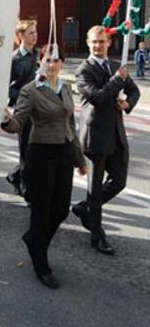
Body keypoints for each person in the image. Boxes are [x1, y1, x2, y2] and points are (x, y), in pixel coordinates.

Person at [1, 44, 87, 289]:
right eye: (48, 60)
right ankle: (41, 264)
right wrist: (4, 117)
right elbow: (18, 122)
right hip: (40, 155)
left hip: (64, 155)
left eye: (56, 60)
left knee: (60, 210)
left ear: (62, 64)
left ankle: (34, 242)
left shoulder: (66, 87)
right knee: (41, 212)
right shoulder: (31, 90)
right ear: (40, 62)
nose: (52, 65)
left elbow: (71, 125)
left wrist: (80, 160)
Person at [72, 25, 140, 255]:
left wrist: (128, 103)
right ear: (88, 43)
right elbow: (99, 98)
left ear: (109, 43)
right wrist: (116, 81)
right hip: (95, 137)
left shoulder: (114, 66)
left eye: (102, 41)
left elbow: (134, 91)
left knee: (119, 181)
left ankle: (85, 208)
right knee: (94, 188)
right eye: (94, 42)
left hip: (116, 134)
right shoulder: (83, 70)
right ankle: (97, 235)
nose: (98, 46)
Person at [6, 20, 39, 199]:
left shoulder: (40, 55)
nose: (34, 36)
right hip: (24, 111)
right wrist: (23, 97)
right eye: (30, 33)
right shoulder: (14, 59)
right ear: (20, 37)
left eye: (35, 32)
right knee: (26, 151)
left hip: (41, 110)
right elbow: (6, 87)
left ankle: (15, 175)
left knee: (37, 151)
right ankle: (28, 192)